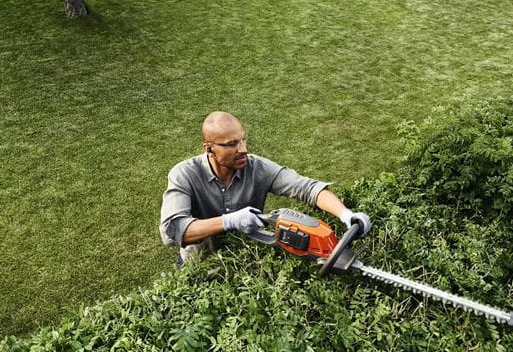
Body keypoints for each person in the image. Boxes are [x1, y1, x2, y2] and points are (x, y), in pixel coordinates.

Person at [159, 111, 371, 264]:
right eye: (232, 144)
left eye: (243, 140)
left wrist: (346, 215)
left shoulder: (256, 167)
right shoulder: (184, 174)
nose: (243, 149)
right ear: (209, 148)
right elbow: (173, 229)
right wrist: (229, 221)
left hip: (246, 261)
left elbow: (307, 188)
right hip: (200, 265)